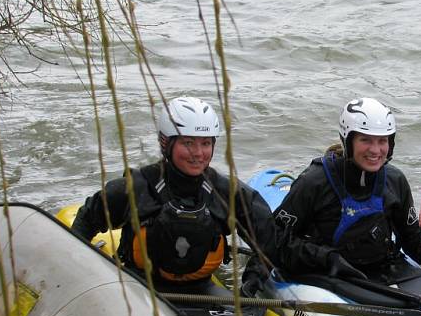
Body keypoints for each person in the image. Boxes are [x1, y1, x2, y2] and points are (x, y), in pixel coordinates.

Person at [71, 96, 278, 296]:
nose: (198, 153)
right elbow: (86, 222)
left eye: (205, 143)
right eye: (188, 143)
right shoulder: (135, 188)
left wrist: (252, 282)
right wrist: (80, 272)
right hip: (139, 285)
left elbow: (267, 240)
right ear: (166, 143)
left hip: (202, 291)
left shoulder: (228, 192)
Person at [273, 97, 421, 285]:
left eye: (382, 141)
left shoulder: (395, 181)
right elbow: (275, 240)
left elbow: (414, 243)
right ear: (348, 141)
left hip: (381, 269)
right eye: (365, 140)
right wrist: (326, 258)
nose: (375, 150)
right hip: (327, 273)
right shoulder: (314, 182)